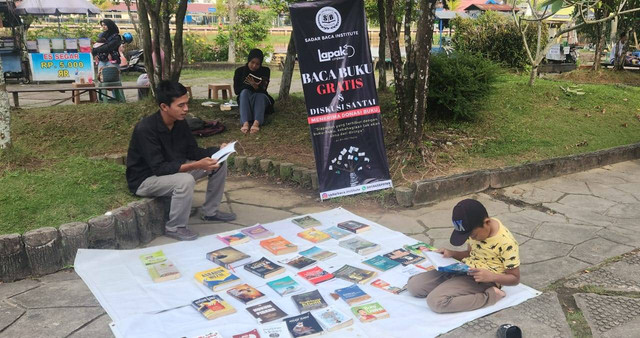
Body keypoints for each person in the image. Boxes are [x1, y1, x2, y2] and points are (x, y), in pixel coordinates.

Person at [126, 81, 237, 241]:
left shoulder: (180, 123)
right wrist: (196, 165)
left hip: (170, 172)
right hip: (146, 180)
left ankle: (210, 212)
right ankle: (175, 227)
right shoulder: (146, 129)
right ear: (164, 107)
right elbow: (159, 168)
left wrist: (217, 151)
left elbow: (193, 151)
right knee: (185, 180)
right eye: (181, 105)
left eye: (187, 104)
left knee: (218, 163)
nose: (186, 109)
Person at [406, 199, 520, 313]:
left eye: (473, 235)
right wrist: (452, 254)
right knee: (414, 286)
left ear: (487, 222)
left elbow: (515, 279)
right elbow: (470, 254)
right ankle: (452, 285)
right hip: (464, 268)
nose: (472, 238)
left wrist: (492, 277)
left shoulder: (506, 242)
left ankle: (491, 295)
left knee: (436, 301)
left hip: (482, 279)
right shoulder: (474, 228)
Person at [233, 49, 274, 134]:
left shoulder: (265, 70)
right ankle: (245, 122)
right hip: (246, 97)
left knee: (260, 95)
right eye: (252, 62)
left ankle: (257, 122)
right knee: (244, 92)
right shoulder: (239, 71)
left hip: (260, 97)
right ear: (248, 60)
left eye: (257, 64)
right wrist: (249, 85)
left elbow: (263, 90)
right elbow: (237, 91)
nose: (254, 66)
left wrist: (256, 87)